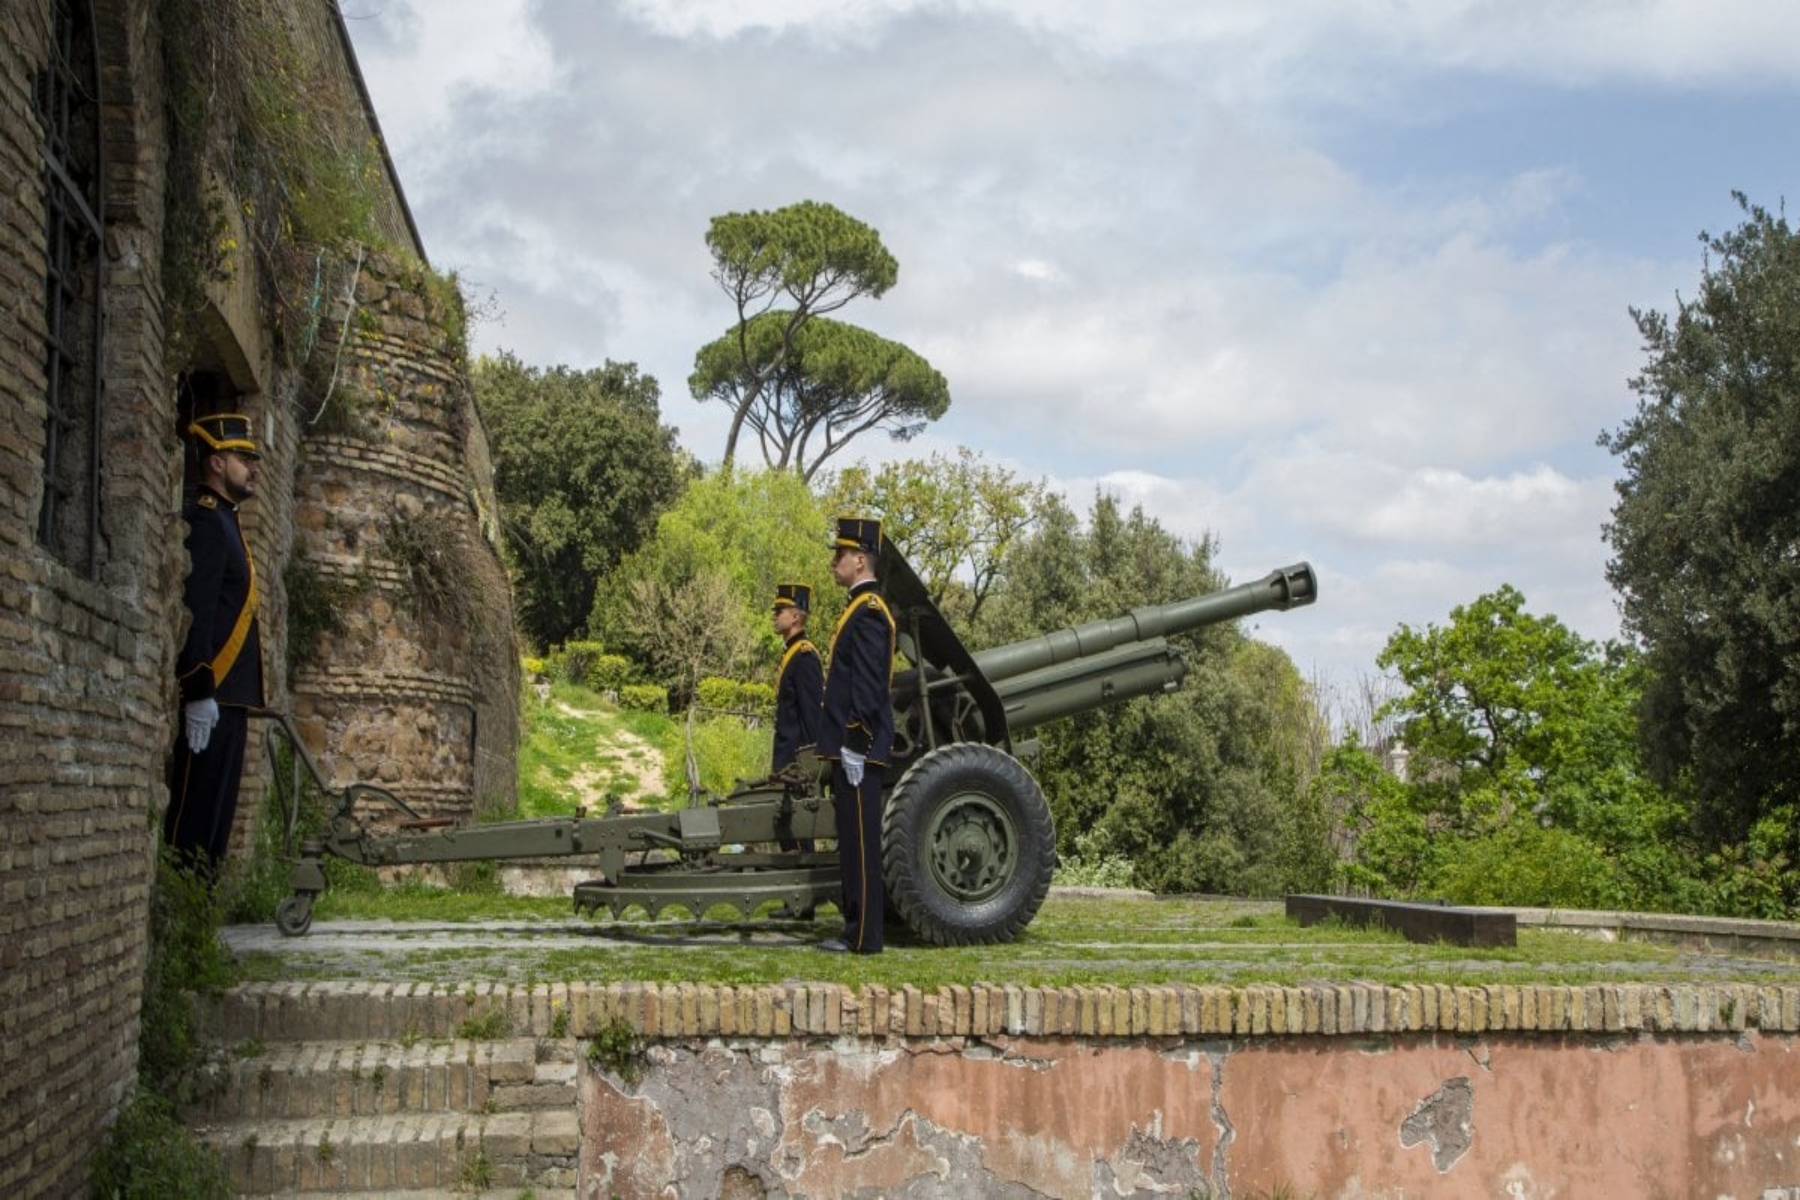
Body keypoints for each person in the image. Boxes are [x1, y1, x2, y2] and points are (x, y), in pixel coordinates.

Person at [164, 412, 266, 882]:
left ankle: (198, 923)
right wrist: (199, 687)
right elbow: (198, 609)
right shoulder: (207, 522)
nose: (252, 466)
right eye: (242, 457)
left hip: (232, 699)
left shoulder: (229, 521)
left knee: (216, 830)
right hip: (213, 696)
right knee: (194, 822)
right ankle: (182, 918)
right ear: (216, 464)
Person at [816, 517, 896, 954]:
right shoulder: (858, 608)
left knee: (861, 844)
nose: (834, 561)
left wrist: (855, 743)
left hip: (859, 750)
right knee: (851, 841)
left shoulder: (867, 612)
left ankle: (864, 937)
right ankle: (855, 929)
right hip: (854, 749)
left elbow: (866, 686)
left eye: (840, 554)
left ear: (860, 559)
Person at [770, 582, 822, 855]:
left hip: (797, 765)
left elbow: (812, 717)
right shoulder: (791, 653)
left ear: (796, 616)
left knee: (799, 835)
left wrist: (808, 769)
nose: (775, 615)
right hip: (786, 761)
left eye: (780, 610)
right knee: (786, 833)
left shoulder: (804, 656)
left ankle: (805, 897)